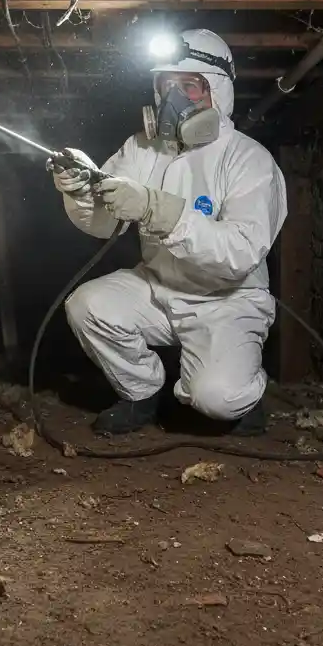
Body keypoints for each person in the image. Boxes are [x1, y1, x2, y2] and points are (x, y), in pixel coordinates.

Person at [51, 28, 288, 436]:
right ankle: (141, 393)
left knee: (216, 398)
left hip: (226, 299)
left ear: (218, 93)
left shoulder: (248, 160)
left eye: (190, 87)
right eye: (167, 86)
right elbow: (103, 223)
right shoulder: (142, 148)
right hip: (158, 286)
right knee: (87, 306)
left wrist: (158, 209)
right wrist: (81, 193)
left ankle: (243, 394)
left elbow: (240, 253)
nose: (174, 100)